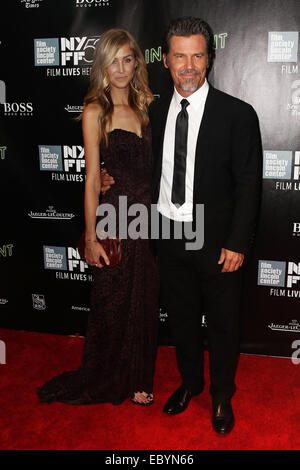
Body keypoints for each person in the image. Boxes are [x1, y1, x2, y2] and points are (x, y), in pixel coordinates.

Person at [102, 16, 262, 433]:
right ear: (166, 61)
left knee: (224, 324)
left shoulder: (237, 114)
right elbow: (135, 164)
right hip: (168, 235)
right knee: (183, 319)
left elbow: (249, 184)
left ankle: (222, 395)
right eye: (179, 56)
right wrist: (107, 176)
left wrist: (237, 242)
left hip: (217, 239)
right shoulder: (151, 111)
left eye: (197, 56)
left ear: (208, 60)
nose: (188, 66)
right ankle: (191, 382)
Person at [37, 28, 159, 406]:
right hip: (115, 219)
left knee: (144, 301)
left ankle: (140, 377)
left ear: (136, 61)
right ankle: (106, 373)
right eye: (113, 60)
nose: (121, 68)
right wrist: (90, 236)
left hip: (149, 220)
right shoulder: (95, 110)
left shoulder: (146, 105)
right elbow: (92, 177)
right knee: (113, 301)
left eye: (127, 59)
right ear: (102, 65)